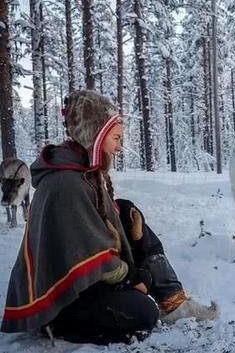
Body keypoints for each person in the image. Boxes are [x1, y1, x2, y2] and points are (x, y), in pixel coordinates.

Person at [1, 90, 218, 344]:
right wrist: (131, 277)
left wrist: (121, 214)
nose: (118, 147)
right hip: (61, 299)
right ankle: (58, 328)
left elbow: (95, 225)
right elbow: (86, 254)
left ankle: (174, 301)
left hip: (85, 283)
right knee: (143, 314)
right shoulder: (66, 184)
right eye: (115, 138)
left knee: (129, 215)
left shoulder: (82, 171)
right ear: (96, 136)